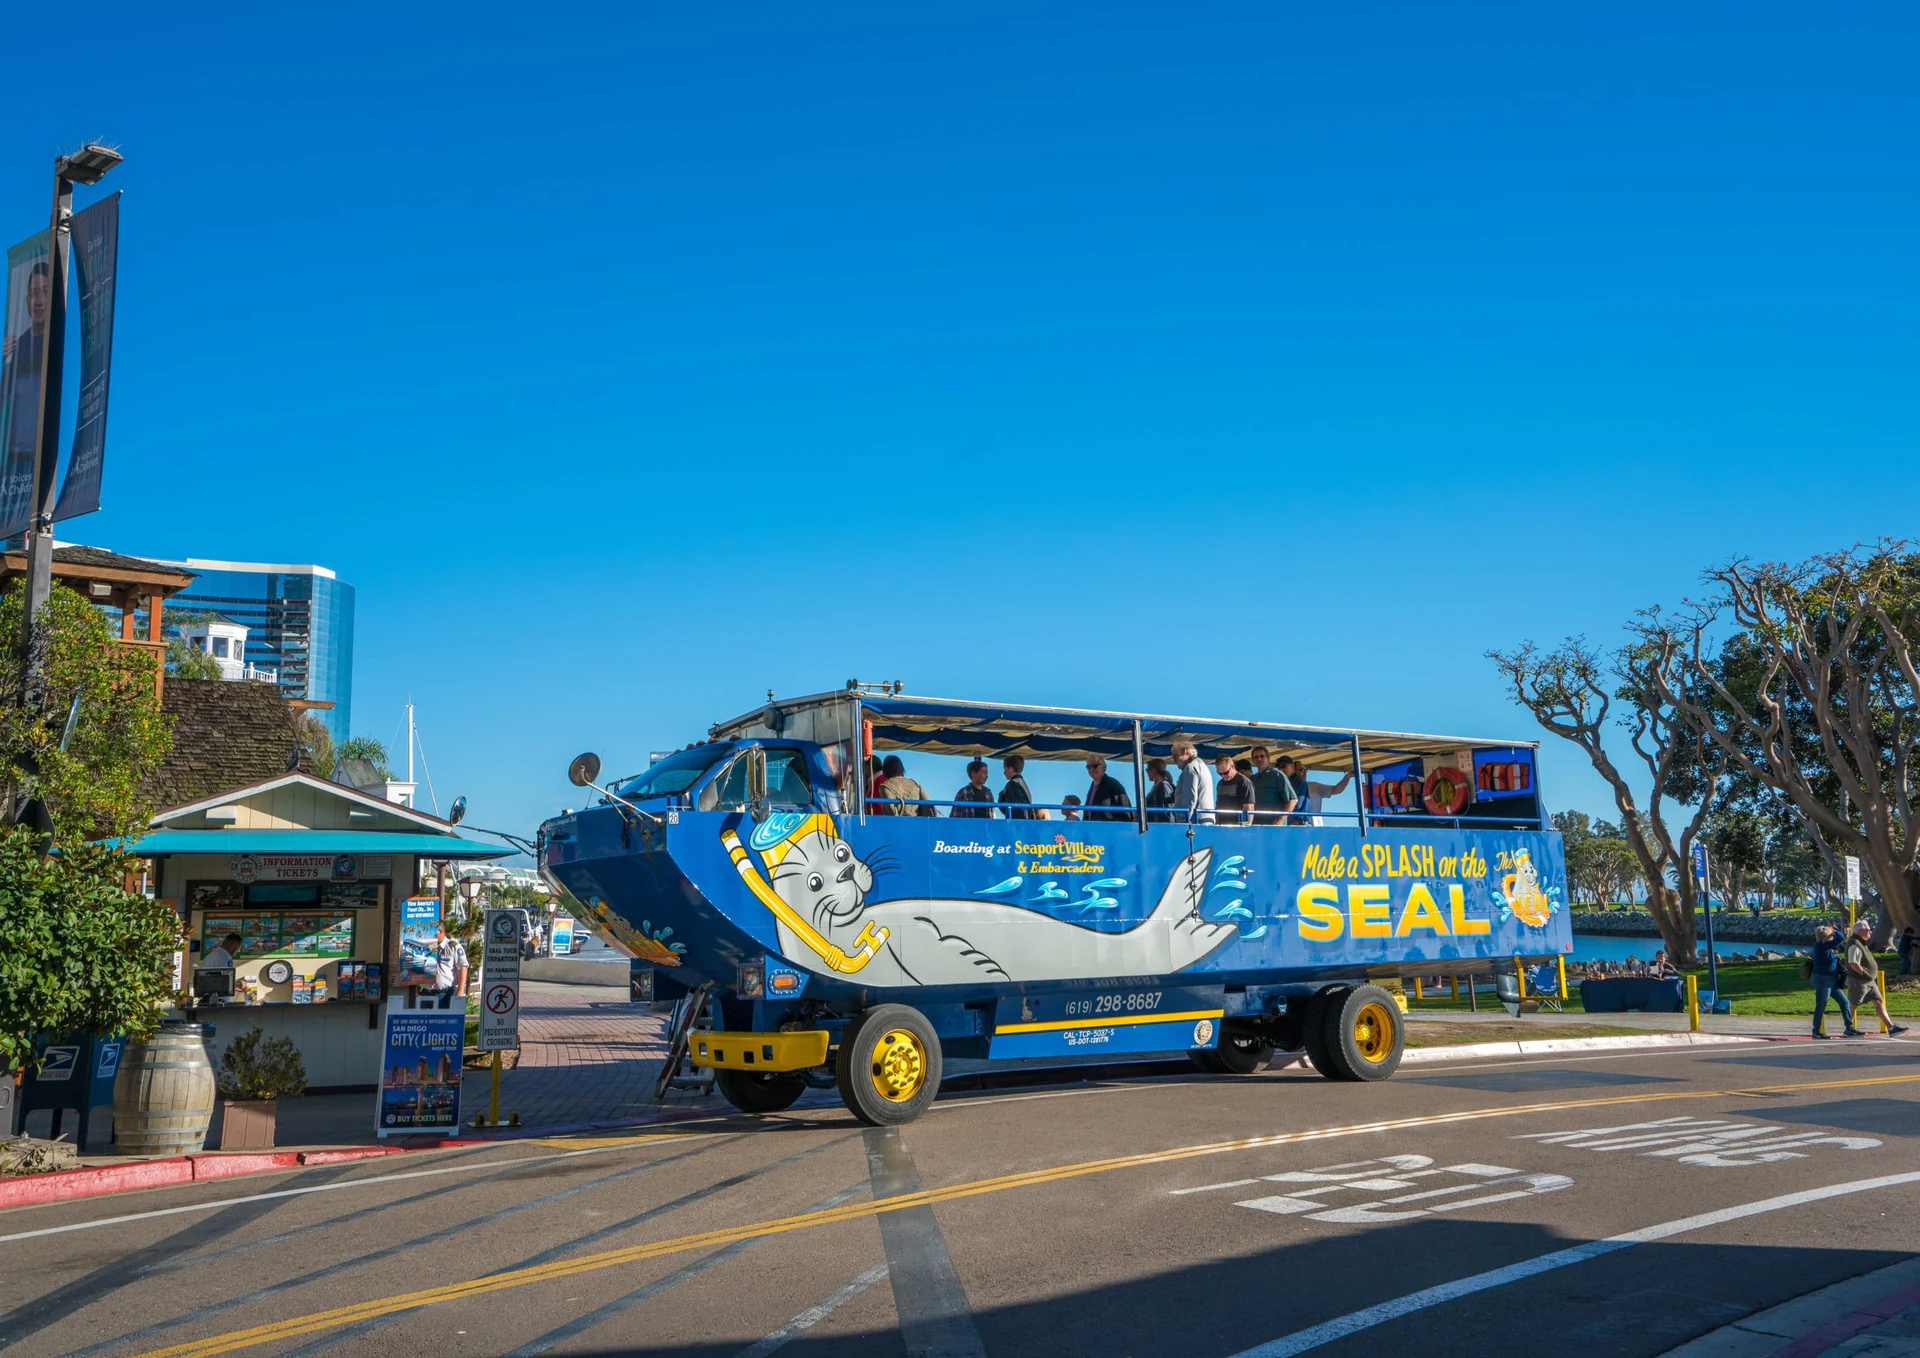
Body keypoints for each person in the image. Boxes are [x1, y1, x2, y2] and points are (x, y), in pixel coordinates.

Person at [1845, 920, 1909, 1036]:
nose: (1870, 932)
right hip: (1859, 981)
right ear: (1861, 931)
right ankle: (1848, 1028)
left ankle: (1891, 1027)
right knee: (1853, 1004)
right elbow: (1853, 962)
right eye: (1868, 930)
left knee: (1879, 1001)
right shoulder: (1854, 944)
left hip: (1869, 981)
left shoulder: (1861, 942)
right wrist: (1864, 974)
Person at [1809, 923, 1862, 1040]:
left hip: (1831, 980)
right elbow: (1841, 938)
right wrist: (1835, 930)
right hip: (1823, 979)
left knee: (1844, 1003)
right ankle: (1816, 1030)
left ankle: (1849, 1028)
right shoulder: (1820, 946)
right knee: (1821, 1004)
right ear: (1826, 937)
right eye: (1831, 935)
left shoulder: (1825, 948)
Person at [1286, 759, 1354, 827]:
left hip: (1316, 828)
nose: (1304, 773)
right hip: (1295, 826)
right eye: (1301, 770)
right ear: (1293, 771)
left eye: (1305, 770)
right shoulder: (1286, 788)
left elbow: (1337, 789)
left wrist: (1348, 776)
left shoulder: (1315, 786)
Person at [1248, 747, 1297, 825]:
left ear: (1268, 758)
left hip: (1273, 827)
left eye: (1262, 756)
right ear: (1253, 761)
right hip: (1256, 825)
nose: (1259, 759)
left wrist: (1280, 820)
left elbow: (1293, 800)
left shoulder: (1277, 775)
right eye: (1256, 757)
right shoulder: (1252, 779)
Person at [1172, 741, 1215, 825]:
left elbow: (1190, 797)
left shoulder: (1190, 767)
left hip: (1195, 823)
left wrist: (1184, 821)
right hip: (1204, 820)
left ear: (1185, 752)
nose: (1174, 760)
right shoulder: (1201, 765)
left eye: (1175, 756)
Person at [431, 921, 470, 1010]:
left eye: (431, 931)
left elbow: (463, 967)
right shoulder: (427, 947)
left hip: (446, 994)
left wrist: (460, 992)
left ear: (439, 931)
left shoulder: (453, 947)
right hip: (427, 994)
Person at [1083, 757, 1132, 822]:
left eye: (1095, 766)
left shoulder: (1113, 784)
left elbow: (1125, 807)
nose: (1091, 769)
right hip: (1093, 827)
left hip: (1109, 828)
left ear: (1103, 767)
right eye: (1088, 767)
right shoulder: (1092, 786)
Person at [1214, 754, 1255, 825]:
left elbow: (1249, 807)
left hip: (1237, 826)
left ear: (1232, 767)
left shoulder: (1244, 782)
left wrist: (1246, 828)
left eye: (1225, 773)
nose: (1223, 776)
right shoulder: (1220, 783)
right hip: (1222, 826)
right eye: (1220, 774)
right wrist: (1217, 824)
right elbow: (1218, 807)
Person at [999, 755, 1036, 820]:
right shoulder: (1023, 784)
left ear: (1011, 769)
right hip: (1027, 819)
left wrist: (1002, 795)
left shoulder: (1012, 784)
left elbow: (1012, 807)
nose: (1004, 772)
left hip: (1017, 823)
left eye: (1005, 769)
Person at [1144, 758, 1178, 823]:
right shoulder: (1157, 786)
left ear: (1154, 770)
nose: (1147, 773)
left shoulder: (1163, 785)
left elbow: (1168, 807)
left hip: (1161, 824)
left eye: (1148, 770)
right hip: (1154, 823)